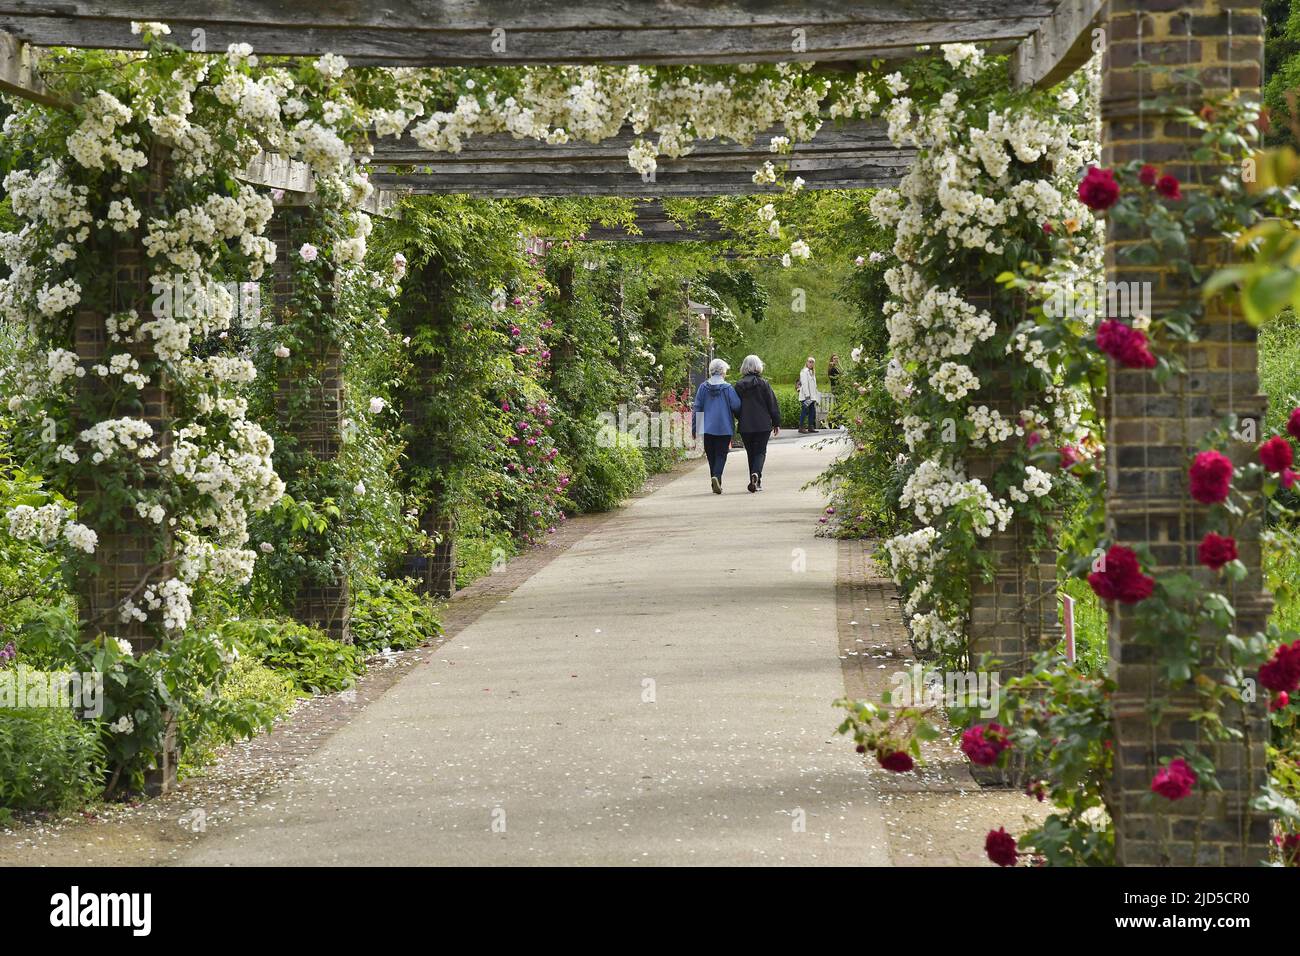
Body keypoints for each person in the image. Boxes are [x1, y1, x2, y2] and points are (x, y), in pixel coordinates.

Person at [692, 358, 741, 494]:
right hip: (724, 427)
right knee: (721, 454)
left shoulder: (703, 387)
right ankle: (717, 477)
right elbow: (736, 405)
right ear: (723, 372)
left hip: (707, 428)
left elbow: (697, 407)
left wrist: (696, 428)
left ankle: (715, 480)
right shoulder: (728, 388)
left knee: (711, 455)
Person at [733, 354, 781, 493]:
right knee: (760, 451)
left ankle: (753, 477)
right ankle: (756, 476)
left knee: (751, 453)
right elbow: (772, 404)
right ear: (758, 366)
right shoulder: (764, 384)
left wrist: (739, 417)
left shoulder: (739, 385)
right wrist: (776, 422)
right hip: (763, 424)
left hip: (746, 425)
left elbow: (736, 405)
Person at [797, 356, 820, 433]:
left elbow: (814, 385)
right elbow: (805, 384)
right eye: (810, 362)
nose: (811, 363)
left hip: (812, 396)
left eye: (812, 362)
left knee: (812, 412)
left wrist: (815, 396)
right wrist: (807, 396)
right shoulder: (804, 372)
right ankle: (801, 427)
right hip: (806, 396)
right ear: (806, 362)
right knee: (804, 411)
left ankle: (810, 427)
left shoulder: (812, 372)